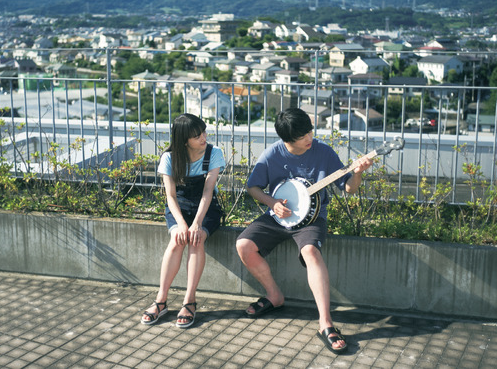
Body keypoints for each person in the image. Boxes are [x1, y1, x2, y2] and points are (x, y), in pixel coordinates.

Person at [236, 107, 372, 354]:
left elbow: (349, 188)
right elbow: (253, 187)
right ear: (287, 139)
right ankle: (274, 296)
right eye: (302, 136)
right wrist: (272, 203)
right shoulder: (272, 155)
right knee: (243, 245)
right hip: (278, 216)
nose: (310, 138)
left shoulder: (323, 152)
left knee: (311, 252)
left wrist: (358, 173)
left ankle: (325, 323)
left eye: (310, 131)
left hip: (312, 219)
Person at [141, 113, 225, 329]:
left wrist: (197, 223)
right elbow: (170, 196)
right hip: (178, 206)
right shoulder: (169, 158)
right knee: (177, 240)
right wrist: (180, 223)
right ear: (184, 139)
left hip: (207, 207)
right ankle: (161, 300)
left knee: (196, 239)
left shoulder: (214, 154)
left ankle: (189, 301)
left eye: (204, 132)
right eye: (197, 135)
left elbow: (208, 191)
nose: (203, 137)